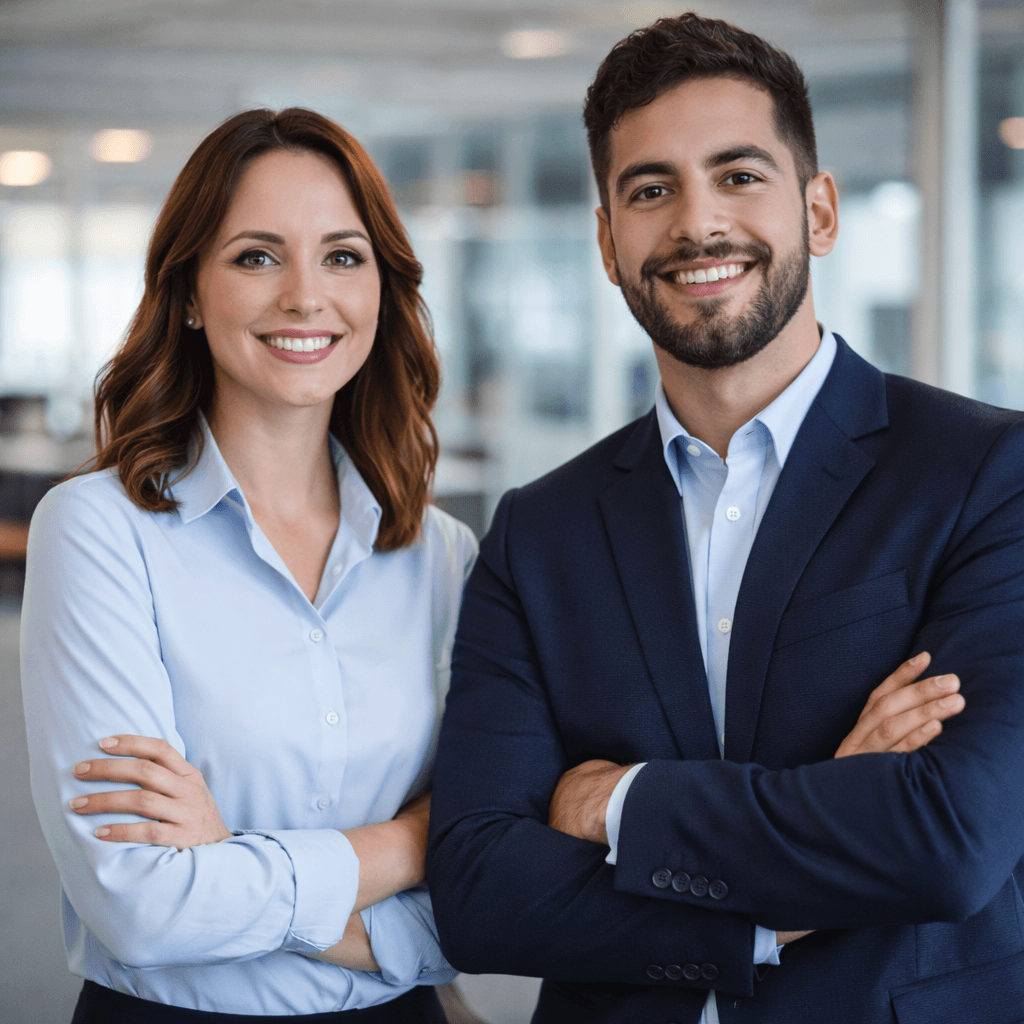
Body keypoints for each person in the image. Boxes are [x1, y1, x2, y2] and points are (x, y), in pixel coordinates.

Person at [426, 13, 1024, 1024]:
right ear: (607, 243)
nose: (697, 224)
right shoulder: (539, 534)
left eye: (738, 176)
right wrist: (799, 864)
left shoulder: (988, 474)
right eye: (650, 190)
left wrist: (616, 801)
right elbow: (482, 893)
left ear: (819, 211)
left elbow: (947, 840)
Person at [20, 107, 478, 1023]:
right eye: (257, 256)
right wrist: (409, 843)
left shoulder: (442, 555)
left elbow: (488, 901)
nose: (305, 297)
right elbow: (143, 909)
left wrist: (231, 858)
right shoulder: (98, 532)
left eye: (342, 256)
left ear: (381, 289)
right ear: (189, 292)